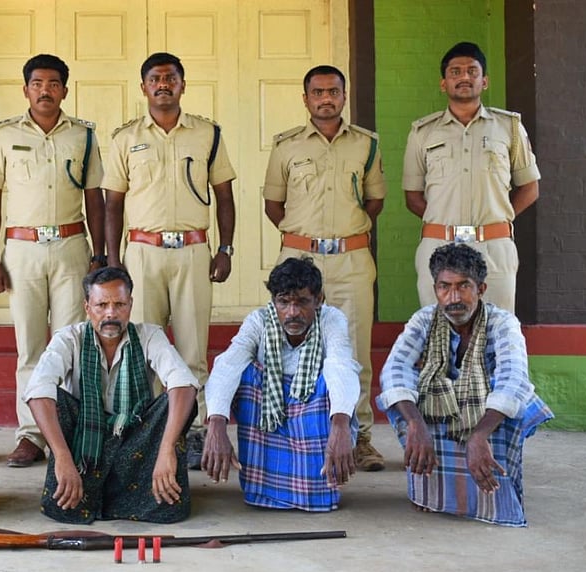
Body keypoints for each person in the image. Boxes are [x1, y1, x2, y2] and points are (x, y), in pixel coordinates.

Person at [103, 52, 236, 469]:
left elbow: (225, 197)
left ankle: (192, 433)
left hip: (194, 251)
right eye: (155, 79)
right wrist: (112, 261)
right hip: (141, 254)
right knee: (142, 348)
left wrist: (225, 248)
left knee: (193, 349)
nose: (163, 84)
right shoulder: (125, 138)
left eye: (171, 78)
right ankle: (150, 429)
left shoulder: (207, 133)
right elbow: (112, 204)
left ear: (182, 84)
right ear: (143, 87)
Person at [0, 54, 106, 468]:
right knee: (30, 347)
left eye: (53, 84)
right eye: (37, 83)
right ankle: (30, 434)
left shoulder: (84, 136)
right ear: (26, 89)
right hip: (22, 250)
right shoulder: (2, 136)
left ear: (65, 90)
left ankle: (66, 431)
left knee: (70, 344)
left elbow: (94, 199)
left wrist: (100, 254)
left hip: (71, 247)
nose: (45, 90)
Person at [263, 65, 387, 472]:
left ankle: (360, 436)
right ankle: (293, 432)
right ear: (306, 99)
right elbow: (273, 206)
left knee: (354, 351)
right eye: (317, 92)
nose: (325, 98)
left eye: (333, 91)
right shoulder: (286, 146)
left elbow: (374, 203)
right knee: (290, 349)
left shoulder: (366, 145)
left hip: (351, 259)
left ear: (344, 95)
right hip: (300, 258)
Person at [378, 244, 553, 526]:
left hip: (485, 413)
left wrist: (478, 436)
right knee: (404, 397)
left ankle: (492, 501)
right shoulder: (424, 319)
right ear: (435, 289)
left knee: (514, 400)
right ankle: (430, 495)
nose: (453, 298)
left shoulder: (503, 322)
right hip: (443, 407)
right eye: (444, 287)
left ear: (481, 289)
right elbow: (395, 369)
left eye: (464, 286)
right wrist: (415, 424)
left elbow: (514, 379)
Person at [24, 267, 198, 524]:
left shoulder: (149, 335)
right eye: (101, 305)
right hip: (85, 443)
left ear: (131, 305)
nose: (110, 313)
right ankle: (90, 488)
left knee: (175, 402)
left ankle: (135, 492)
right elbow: (38, 390)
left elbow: (184, 384)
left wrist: (166, 449)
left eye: (119, 304)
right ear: (87, 307)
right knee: (53, 399)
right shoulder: (69, 339)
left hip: (136, 441)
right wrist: (60, 456)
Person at [202, 258, 361, 511]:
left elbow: (341, 365)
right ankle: (263, 488)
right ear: (273, 301)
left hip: (311, 415)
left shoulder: (332, 320)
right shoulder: (259, 320)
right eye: (284, 302)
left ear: (318, 300)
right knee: (243, 373)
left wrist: (341, 423)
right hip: (268, 417)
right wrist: (216, 422)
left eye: (302, 302)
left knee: (333, 382)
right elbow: (227, 365)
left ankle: (313, 490)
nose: (292, 312)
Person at [403, 41, 541, 313]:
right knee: (439, 333)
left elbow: (530, 188)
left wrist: (497, 217)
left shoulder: (509, 128)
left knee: (495, 334)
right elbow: (412, 197)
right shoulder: (423, 132)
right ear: (444, 83)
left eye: (471, 71)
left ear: (484, 81)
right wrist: (446, 222)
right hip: (438, 246)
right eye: (455, 72)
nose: (464, 77)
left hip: (494, 248)